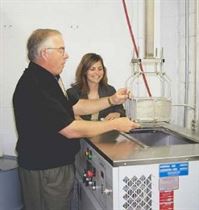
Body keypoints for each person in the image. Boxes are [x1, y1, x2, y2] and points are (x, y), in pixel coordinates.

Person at [12, 28, 140, 210]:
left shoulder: (49, 79)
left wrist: (112, 100)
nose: (66, 55)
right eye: (61, 50)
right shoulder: (37, 84)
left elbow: (77, 106)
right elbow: (70, 129)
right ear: (44, 53)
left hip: (53, 167)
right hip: (46, 170)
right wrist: (114, 124)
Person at [67, 53, 126, 121]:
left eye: (100, 69)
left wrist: (117, 114)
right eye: (92, 69)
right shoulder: (72, 93)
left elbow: (121, 110)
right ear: (84, 71)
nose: (97, 73)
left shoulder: (110, 90)